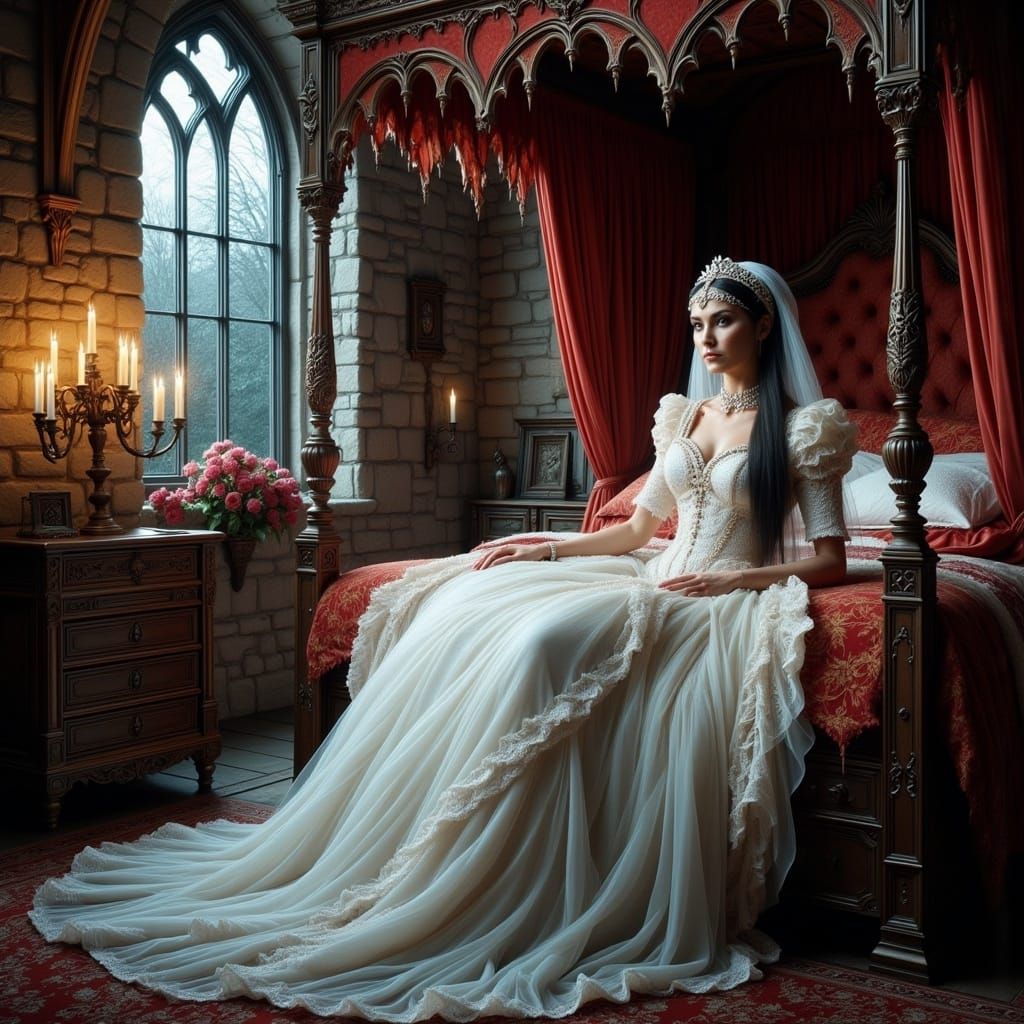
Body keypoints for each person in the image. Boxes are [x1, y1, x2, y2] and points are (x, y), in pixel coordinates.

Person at [30, 258, 856, 1021]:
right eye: (697, 325)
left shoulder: (805, 429)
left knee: (541, 642)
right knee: (471, 598)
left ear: (764, 326)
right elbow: (639, 527)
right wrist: (547, 545)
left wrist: (731, 583)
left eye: (722, 322)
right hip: (652, 571)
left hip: (722, 595)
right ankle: (433, 850)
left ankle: (521, 872)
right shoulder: (687, 415)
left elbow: (827, 559)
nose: (706, 341)